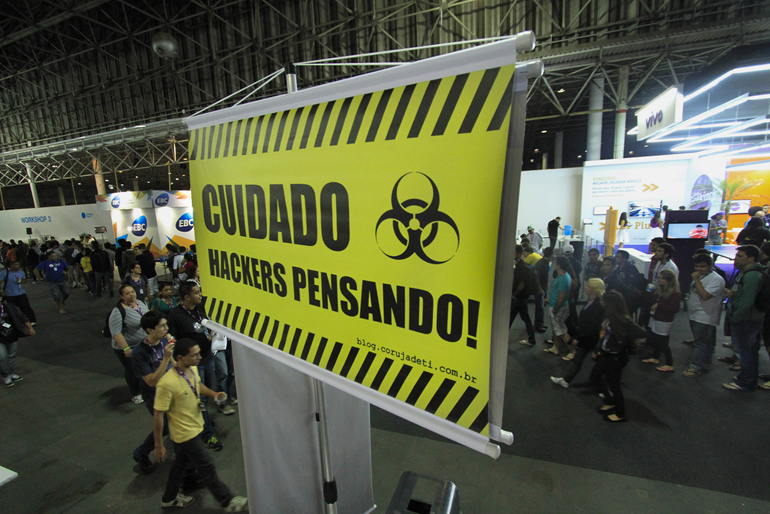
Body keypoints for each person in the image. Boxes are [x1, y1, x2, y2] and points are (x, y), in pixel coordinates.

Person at [153, 338, 248, 511]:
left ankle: (169, 498)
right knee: (206, 465)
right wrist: (158, 445)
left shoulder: (192, 369)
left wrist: (213, 394)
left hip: (196, 426)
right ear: (180, 358)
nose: (199, 357)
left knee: (181, 465)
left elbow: (197, 385)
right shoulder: (167, 383)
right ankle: (228, 501)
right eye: (194, 355)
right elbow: (158, 415)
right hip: (184, 434)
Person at [167, 282, 223, 451]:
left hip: (207, 357)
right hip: (192, 365)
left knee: (205, 394)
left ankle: (203, 421)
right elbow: (172, 340)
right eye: (197, 293)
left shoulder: (200, 307)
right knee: (199, 398)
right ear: (187, 297)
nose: (200, 295)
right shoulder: (175, 316)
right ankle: (207, 435)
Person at [130, 310, 176, 475]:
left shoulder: (164, 341)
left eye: (166, 324)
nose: (166, 328)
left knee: (172, 425)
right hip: (154, 395)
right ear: (150, 330)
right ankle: (141, 453)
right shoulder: (139, 353)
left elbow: (172, 363)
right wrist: (166, 358)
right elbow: (150, 381)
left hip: (171, 390)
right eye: (162, 326)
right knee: (165, 427)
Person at [591, 292, 646, 422]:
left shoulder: (622, 319)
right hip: (606, 352)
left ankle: (620, 414)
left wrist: (622, 340)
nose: (602, 303)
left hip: (616, 356)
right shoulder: (609, 317)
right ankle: (610, 401)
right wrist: (598, 348)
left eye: (604, 301)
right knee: (594, 376)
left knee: (614, 384)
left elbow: (642, 333)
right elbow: (604, 335)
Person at [723, 245, 765, 391]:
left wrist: (737, 317)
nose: (736, 259)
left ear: (751, 258)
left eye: (740, 256)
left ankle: (746, 382)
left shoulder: (752, 275)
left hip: (746, 319)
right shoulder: (746, 273)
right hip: (747, 317)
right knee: (749, 350)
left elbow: (748, 301)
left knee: (745, 351)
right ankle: (748, 378)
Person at [550, 278, 606, 388]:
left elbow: (593, 326)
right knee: (579, 360)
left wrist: (579, 337)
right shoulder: (592, 301)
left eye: (589, 286)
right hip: (587, 336)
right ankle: (566, 381)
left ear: (595, 290)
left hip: (590, 338)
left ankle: (604, 386)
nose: (586, 287)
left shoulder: (597, 305)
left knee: (591, 361)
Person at [683, 253, 725, 376]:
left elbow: (705, 295)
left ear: (711, 265)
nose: (699, 269)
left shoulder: (716, 279)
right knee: (704, 342)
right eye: (697, 266)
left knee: (701, 343)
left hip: (706, 315)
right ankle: (704, 362)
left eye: (703, 266)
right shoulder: (701, 276)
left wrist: (696, 280)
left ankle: (695, 366)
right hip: (695, 313)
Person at [110, 284, 150, 405]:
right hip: (127, 346)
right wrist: (126, 348)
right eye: (127, 293)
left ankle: (145, 389)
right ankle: (135, 393)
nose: (131, 295)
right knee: (132, 370)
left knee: (145, 367)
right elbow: (116, 333)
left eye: (132, 292)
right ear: (122, 297)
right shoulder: (118, 311)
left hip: (142, 343)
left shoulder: (141, 303)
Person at [641, 269, 681, 372]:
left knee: (663, 342)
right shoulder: (660, 290)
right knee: (654, 339)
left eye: (663, 278)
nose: (660, 280)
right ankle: (655, 357)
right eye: (659, 278)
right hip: (656, 317)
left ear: (669, 280)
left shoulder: (674, 293)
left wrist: (659, 305)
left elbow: (674, 309)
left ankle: (669, 364)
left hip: (664, 320)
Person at [0, 294, 35, 387]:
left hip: (11, 335)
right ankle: (6, 376)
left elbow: (22, 316)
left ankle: (11, 373)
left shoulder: (9, 307)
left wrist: (30, 328)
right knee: (2, 357)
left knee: (11, 356)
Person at [543, 257, 573, 357]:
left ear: (559, 265)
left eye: (556, 263)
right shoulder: (565, 276)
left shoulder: (562, 279)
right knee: (556, 328)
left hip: (558, 308)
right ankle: (555, 347)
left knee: (561, 331)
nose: (554, 264)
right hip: (560, 306)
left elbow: (561, 296)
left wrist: (555, 309)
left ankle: (572, 351)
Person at [510, 245, 537, 346]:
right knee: (525, 318)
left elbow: (521, 285)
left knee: (510, 317)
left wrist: (513, 296)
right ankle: (531, 339)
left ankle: (500, 339)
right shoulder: (524, 266)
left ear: (519, 254)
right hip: (523, 297)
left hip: (518, 298)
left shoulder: (520, 267)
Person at [34, 250, 71, 314]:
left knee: (66, 293)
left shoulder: (61, 261)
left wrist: (67, 273)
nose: (55, 257)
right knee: (56, 295)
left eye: (56, 256)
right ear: (49, 257)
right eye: (53, 256)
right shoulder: (45, 263)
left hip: (62, 280)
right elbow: (36, 270)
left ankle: (62, 301)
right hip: (52, 282)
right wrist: (40, 278)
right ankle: (61, 308)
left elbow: (68, 267)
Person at [533, 247, 551, 333]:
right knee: (540, 306)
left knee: (542, 305)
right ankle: (539, 324)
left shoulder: (545, 263)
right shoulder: (541, 264)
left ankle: (540, 323)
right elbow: (537, 278)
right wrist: (540, 289)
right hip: (540, 288)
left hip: (543, 287)